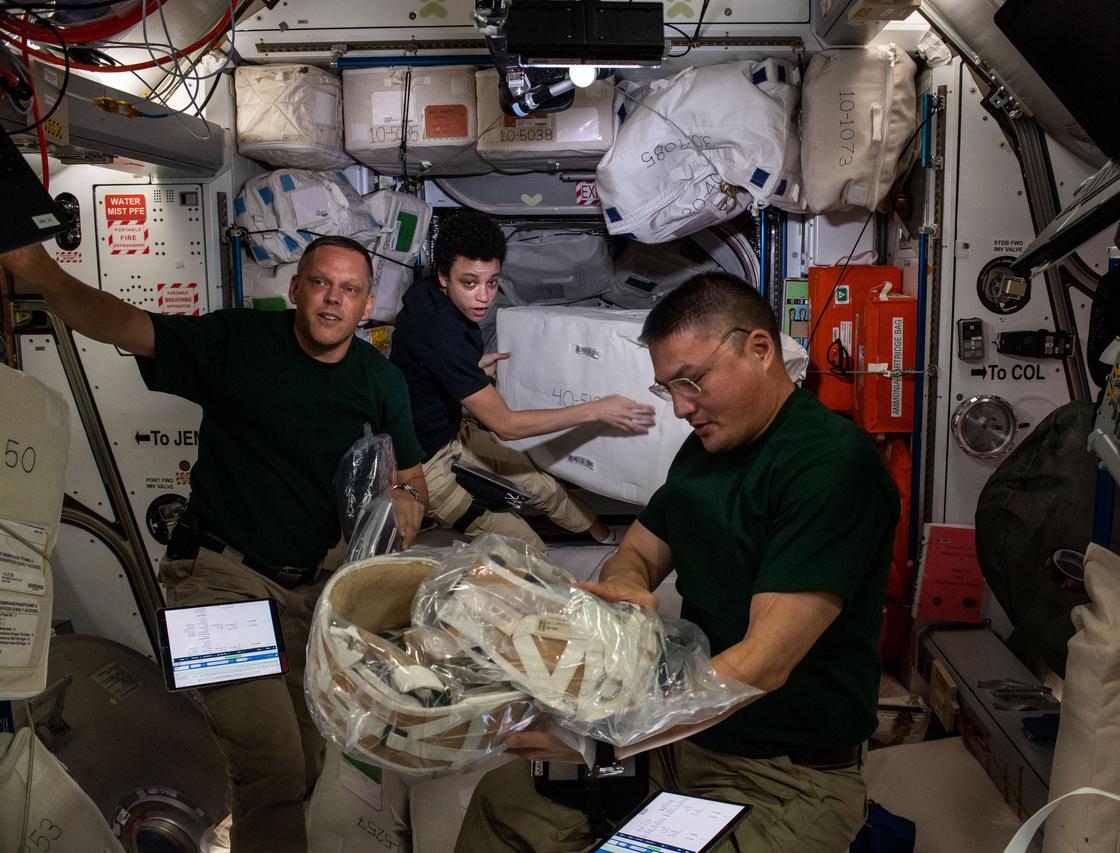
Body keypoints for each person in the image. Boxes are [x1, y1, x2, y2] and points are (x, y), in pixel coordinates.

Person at [0, 235, 429, 853]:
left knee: (308, 762)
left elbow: (410, 477)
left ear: (367, 307)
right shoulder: (239, 343)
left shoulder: (381, 380)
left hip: (309, 589)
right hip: (215, 578)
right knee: (273, 769)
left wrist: (408, 499)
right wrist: (44, 274)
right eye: (321, 283)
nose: (333, 300)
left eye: (350, 290)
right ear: (295, 290)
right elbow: (128, 323)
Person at [453, 272, 899, 853]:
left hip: (785, 777)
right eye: (669, 389)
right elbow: (638, 549)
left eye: (693, 381)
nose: (683, 408)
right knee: (503, 803)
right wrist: (628, 588)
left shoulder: (830, 467)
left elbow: (763, 663)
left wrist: (603, 737)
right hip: (682, 747)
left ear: (760, 350)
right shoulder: (707, 449)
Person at [390, 210, 656, 550]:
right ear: (443, 276)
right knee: (527, 547)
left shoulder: (427, 296)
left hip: (453, 431)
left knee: (544, 487)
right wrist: (597, 410)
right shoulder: (442, 337)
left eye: (492, 281)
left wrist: (471, 370)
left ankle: (605, 538)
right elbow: (507, 426)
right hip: (423, 464)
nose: (484, 296)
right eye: (468, 283)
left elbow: (427, 365)